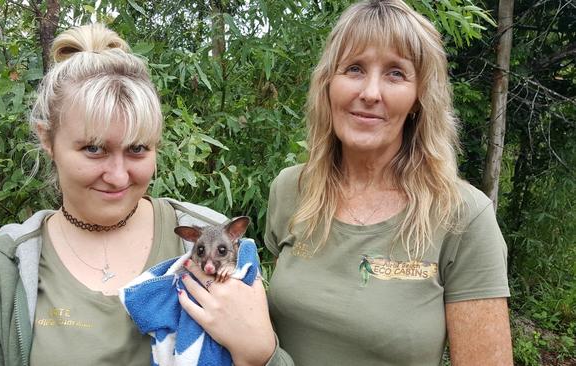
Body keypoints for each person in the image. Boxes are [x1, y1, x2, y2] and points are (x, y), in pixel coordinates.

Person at [182, 1, 513, 365]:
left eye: (396, 73)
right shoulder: (291, 190)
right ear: (328, 83)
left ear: (419, 97)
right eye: (354, 68)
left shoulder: (463, 216)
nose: (371, 92)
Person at [0, 23, 272, 366]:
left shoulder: (210, 238)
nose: (118, 176)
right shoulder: (0, 273)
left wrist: (260, 355)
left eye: (138, 148)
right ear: (47, 140)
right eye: (93, 148)